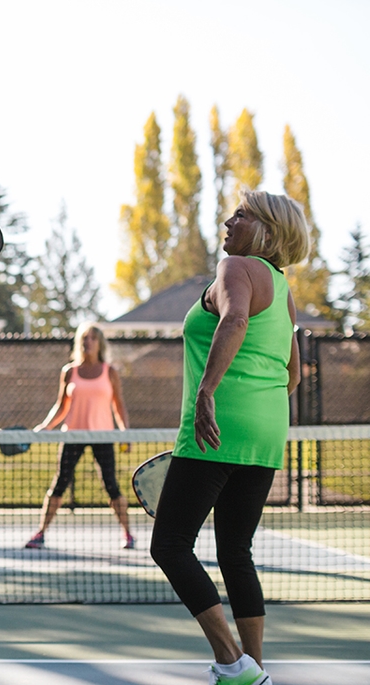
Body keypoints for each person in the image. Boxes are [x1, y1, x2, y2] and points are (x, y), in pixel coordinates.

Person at [150, 191, 309, 685]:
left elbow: (235, 318)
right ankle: (255, 668)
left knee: (171, 544)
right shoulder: (282, 289)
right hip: (266, 433)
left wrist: (207, 393)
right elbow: (294, 373)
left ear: (264, 229)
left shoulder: (235, 266)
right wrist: (254, 402)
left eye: (239, 214)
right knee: (235, 550)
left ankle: (232, 661)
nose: (227, 220)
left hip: (218, 427)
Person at [26, 321, 134, 550]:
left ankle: (128, 534)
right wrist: (45, 426)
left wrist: (125, 433)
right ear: (79, 342)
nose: (88, 342)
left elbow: (119, 406)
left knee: (111, 486)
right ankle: (40, 533)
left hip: (102, 437)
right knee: (59, 484)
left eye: (93, 338)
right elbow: (61, 406)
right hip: (72, 436)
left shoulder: (110, 371)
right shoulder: (69, 371)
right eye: (84, 338)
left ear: (100, 343)